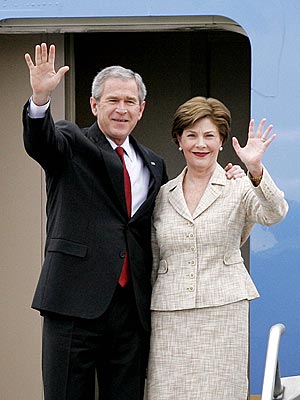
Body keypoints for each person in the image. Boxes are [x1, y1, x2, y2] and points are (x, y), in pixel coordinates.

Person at [23, 43, 245, 400]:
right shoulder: (70, 141)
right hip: (73, 304)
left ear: (141, 110)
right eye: (113, 100)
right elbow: (40, 142)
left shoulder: (155, 164)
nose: (121, 109)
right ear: (95, 105)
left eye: (130, 102)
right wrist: (39, 101)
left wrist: (228, 175)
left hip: (130, 314)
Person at [146, 96, 289, 400]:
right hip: (169, 317)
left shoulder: (239, 185)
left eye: (210, 135)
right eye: (192, 135)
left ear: (222, 141)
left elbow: (275, 212)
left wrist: (255, 170)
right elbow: (155, 260)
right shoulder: (162, 194)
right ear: (179, 140)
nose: (201, 144)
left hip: (223, 313)